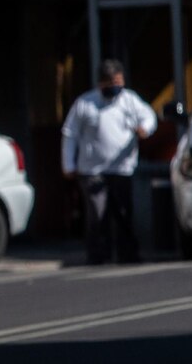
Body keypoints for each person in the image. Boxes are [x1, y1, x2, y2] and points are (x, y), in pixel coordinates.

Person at [62, 59, 157, 265]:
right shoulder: (85, 104)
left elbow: (149, 117)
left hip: (122, 168)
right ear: (101, 83)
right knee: (98, 213)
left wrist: (145, 129)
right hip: (92, 169)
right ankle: (98, 254)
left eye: (118, 81)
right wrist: (68, 164)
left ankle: (128, 254)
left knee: (123, 213)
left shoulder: (129, 100)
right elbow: (70, 134)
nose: (115, 86)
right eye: (111, 82)